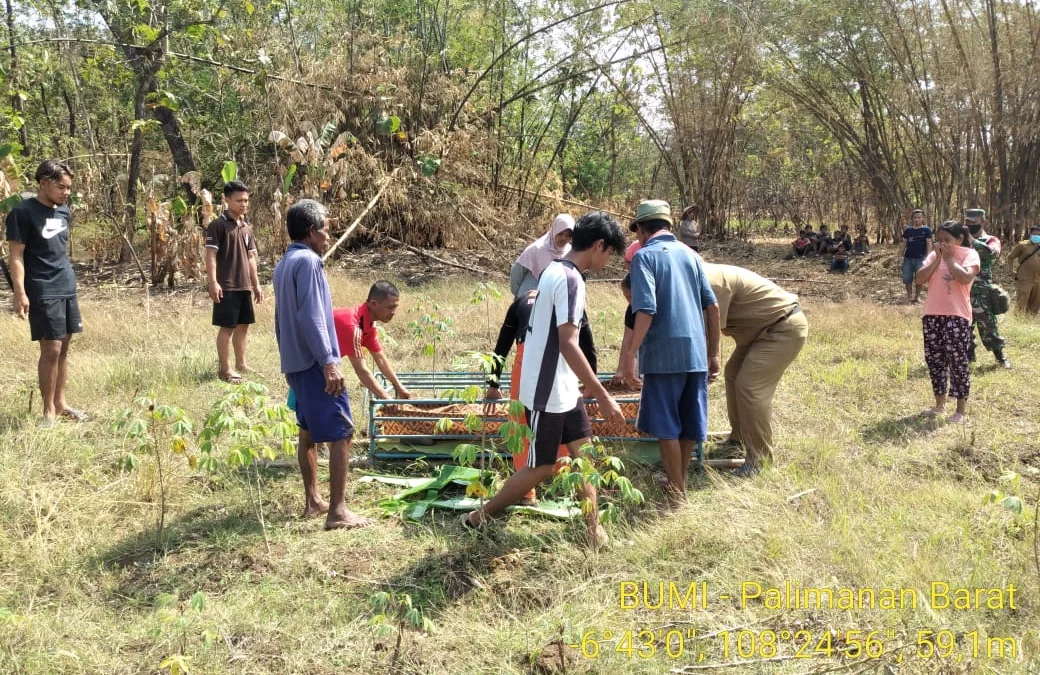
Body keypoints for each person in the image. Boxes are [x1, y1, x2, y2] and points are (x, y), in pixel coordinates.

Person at [463, 211, 627, 548]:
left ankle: (593, 532)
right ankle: (481, 516)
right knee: (540, 467)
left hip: (562, 387)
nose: (608, 260)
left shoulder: (555, 269)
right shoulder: (569, 279)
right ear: (599, 245)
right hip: (547, 390)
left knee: (584, 456)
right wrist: (602, 394)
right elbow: (569, 342)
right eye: (609, 253)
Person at [273, 199, 372, 530]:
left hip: (296, 363)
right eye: (326, 228)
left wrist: (289, 363)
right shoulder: (309, 263)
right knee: (342, 432)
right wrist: (329, 363)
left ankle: (314, 500)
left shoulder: (284, 263)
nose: (329, 234)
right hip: (316, 363)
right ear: (311, 231)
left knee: (307, 433)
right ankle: (337, 512)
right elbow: (312, 317)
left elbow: (281, 320)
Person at [618, 200, 721, 505]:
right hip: (696, 352)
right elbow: (712, 306)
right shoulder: (691, 256)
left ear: (640, 230)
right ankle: (679, 482)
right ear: (667, 225)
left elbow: (646, 308)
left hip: (663, 353)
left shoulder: (644, 257)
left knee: (666, 427)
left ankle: (677, 495)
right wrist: (713, 354)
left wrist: (631, 355)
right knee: (689, 423)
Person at [485, 288, 596, 505]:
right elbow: (587, 343)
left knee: (520, 424)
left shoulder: (522, 300)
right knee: (566, 423)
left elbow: (502, 346)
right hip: (562, 357)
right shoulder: (570, 297)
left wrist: (493, 384)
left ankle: (527, 494)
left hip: (528, 358)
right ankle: (564, 481)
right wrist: (591, 384)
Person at [702, 262, 808, 476]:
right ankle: (738, 438)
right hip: (758, 333)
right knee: (733, 374)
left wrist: (707, 360)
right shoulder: (698, 275)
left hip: (782, 328)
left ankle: (760, 461)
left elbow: (709, 326)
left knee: (750, 387)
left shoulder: (711, 281)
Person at [5, 160, 86, 426]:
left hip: (66, 283)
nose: (66, 193)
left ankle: (61, 403)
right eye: (61, 187)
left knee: (63, 346)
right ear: (43, 183)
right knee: (50, 348)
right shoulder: (22, 213)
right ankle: (48, 411)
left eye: (69, 188)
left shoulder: (64, 212)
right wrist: (20, 292)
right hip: (41, 286)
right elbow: (15, 255)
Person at [915, 221, 980, 424]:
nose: (942, 244)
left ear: (959, 239)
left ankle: (960, 410)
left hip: (957, 316)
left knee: (958, 362)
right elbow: (919, 279)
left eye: (947, 240)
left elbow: (964, 277)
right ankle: (939, 404)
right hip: (932, 314)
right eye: (939, 240)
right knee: (935, 361)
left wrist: (950, 259)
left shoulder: (969, 255)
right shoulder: (934, 255)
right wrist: (938, 259)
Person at [205, 180, 263, 384]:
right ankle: (225, 369)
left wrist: (256, 285)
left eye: (246, 200)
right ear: (226, 200)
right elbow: (211, 255)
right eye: (239, 200)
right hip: (226, 285)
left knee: (243, 326)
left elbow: (250, 258)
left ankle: (241, 364)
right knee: (226, 328)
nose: (243, 204)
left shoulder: (246, 228)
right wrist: (213, 282)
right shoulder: (217, 225)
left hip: (244, 285)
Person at [333, 281, 413, 400]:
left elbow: (380, 358)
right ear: (374, 304)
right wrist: (387, 399)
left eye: (395, 308)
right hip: (307, 362)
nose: (393, 313)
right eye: (390, 307)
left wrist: (399, 387)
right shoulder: (353, 327)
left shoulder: (369, 323)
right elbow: (361, 371)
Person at [964, 209, 1010, 368]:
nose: (971, 225)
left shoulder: (991, 239)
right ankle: (968, 356)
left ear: (983, 222)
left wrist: (972, 241)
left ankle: (1000, 356)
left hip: (982, 290)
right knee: (964, 325)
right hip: (962, 289)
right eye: (968, 222)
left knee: (988, 325)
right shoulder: (959, 240)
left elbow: (992, 254)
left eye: (974, 222)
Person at [509, 213, 574, 297]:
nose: (563, 238)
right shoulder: (537, 248)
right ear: (554, 230)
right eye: (560, 234)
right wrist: (519, 295)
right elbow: (516, 273)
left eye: (568, 235)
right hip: (529, 301)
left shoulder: (570, 252)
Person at [609, 274, 640, 388]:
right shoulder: (631, 310)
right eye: (626, 297)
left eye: (631, 297)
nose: (629, 301)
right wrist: (620, 370)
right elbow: (627, 340)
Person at [899, 208, 933, 304]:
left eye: (919, 217)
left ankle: (917, 297)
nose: (917, 219)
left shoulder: (926, 230)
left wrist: (928, 257)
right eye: (915, 217)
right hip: (908, 258)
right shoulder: (908, 230)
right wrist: (899, 255)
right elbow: (904, 243)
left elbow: (929, 243)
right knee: (907, 278)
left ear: (922, 218)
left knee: (920, 278)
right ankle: (909, 296)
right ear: (912, 219)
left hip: (921, 258)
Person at [1007, 224, 1040, 314]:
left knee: (1035, 303)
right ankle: (1018, 320)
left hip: (1038, 279)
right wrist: (1011, 270)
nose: (1037, 236)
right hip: (1025, 278)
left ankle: (1030, 322)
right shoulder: (1022, 245)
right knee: (1022, 301)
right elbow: (1010, 257)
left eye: (1039, 235)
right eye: (1035, 234)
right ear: (1031, 234)